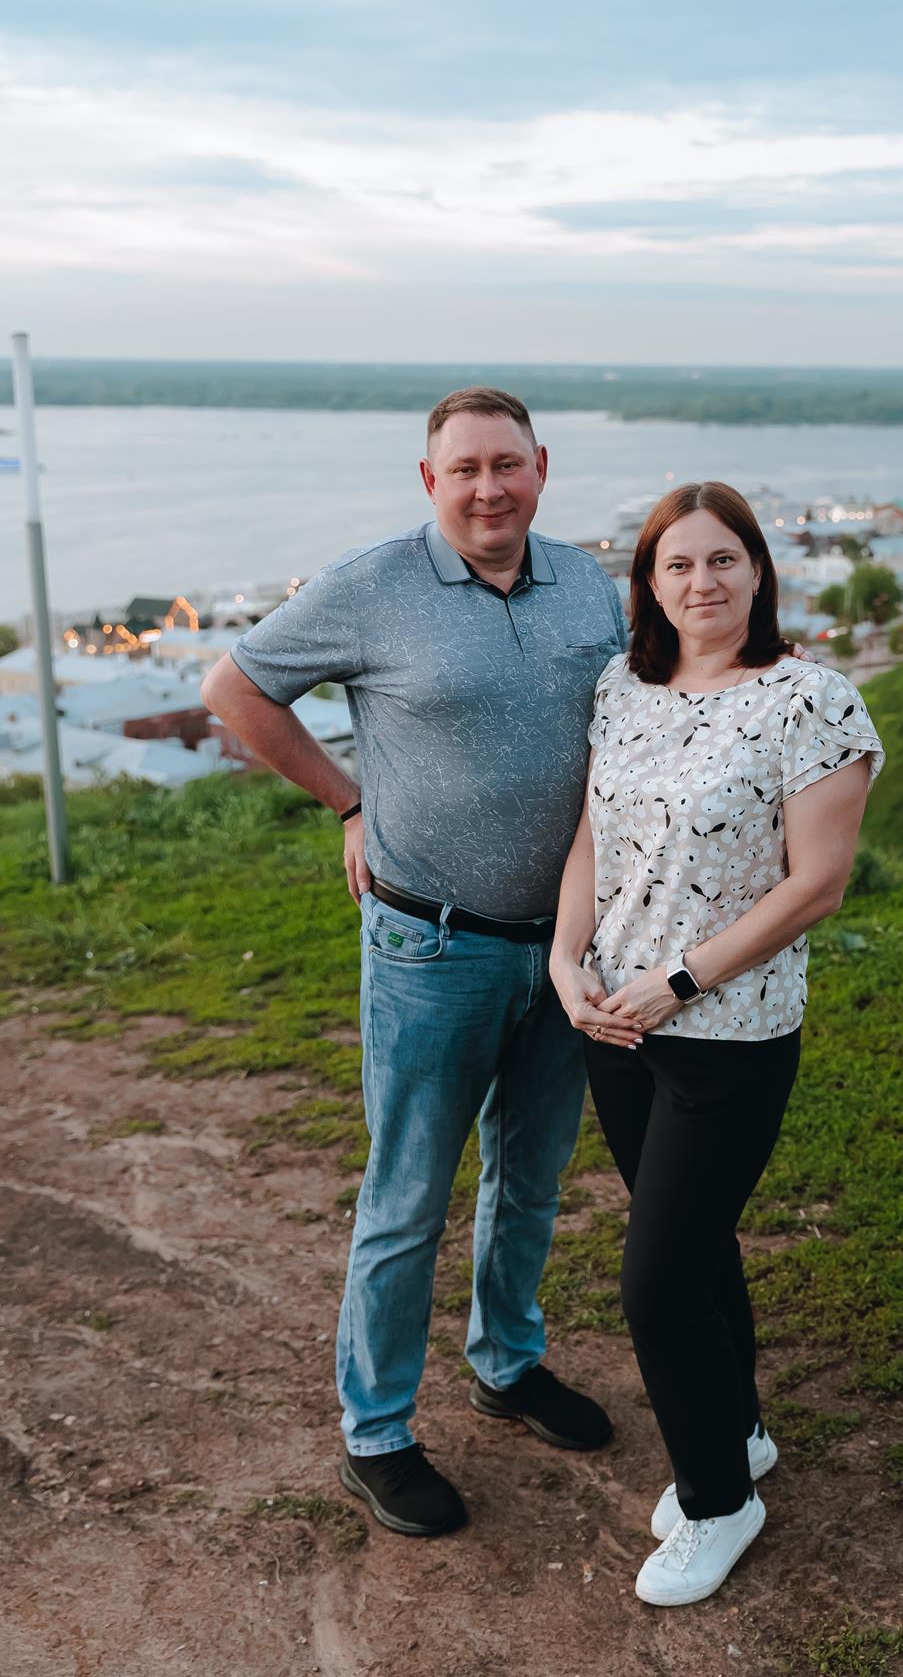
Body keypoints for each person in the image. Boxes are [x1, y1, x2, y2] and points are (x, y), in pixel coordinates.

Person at [201, 386, 629, 1539]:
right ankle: (377, 1432)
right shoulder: (371, 586)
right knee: (407, 1198)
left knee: (530, 1177)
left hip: (564, 952)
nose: (488, 488)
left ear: (541, 468)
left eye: (507, 464)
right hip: (429, 944)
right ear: (429, 481)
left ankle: (507, 1364)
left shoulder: (586, 583)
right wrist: (348, 800)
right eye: (464, 470)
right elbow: (232, 689)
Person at [550, 481, 883, 1607]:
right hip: (612, 1025)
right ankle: (736, 1433)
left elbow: (817, 884)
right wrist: (565, 961)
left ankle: (715, 1503)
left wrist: (680, 980)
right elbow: (592, 835)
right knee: (693, 1253)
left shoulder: (810, 701)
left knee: (654, 1285)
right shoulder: (621, 688)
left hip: (728, 1033)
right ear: (648, 583)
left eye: (723, 560)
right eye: (678, 564)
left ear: (758, 570)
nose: (702, 582)